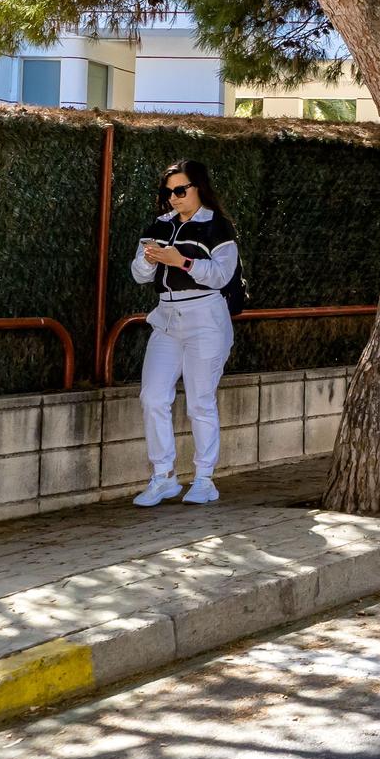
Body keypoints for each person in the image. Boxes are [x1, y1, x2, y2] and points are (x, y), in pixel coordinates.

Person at [129, 160, 240, 507]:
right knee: (153, 397)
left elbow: (222, 275)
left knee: (200, 402)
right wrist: (150, 259)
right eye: (168, 192)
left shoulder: (218, 227)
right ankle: (163, 477)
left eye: (181, 190)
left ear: (198, 188)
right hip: (166, 316)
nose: (174, 198)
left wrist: (183, 262)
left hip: (206, 317)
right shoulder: (160, 225)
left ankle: (204, 479)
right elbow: (139, 275)